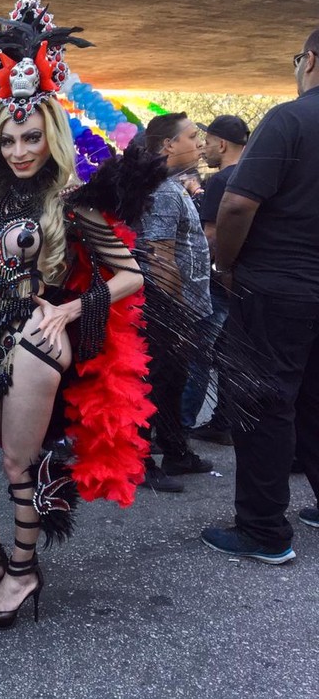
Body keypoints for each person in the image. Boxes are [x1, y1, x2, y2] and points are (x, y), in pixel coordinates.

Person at [0, 0, 149, 631]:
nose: (20, 149)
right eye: (11, 136)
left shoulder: (71, 201)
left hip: (33, 341)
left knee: (17, 465)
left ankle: (23, 570)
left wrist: (72, 309)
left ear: (51, 134)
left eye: (32, 136)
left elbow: (130, 274)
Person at [201, 28, 319, 563]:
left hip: (275, 287)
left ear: (310, 60)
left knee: (261, 403)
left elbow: (237, 206)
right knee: (314, 401)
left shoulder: (290, 119)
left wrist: (225, 265)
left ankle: (263, 531)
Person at [133, 113, 214, 492]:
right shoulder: (163, 191)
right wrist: (176, 317)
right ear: (168, 145)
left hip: (181, 308)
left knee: (171, 382)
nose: (200, 143)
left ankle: (176, 451)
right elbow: (160, 254)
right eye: (193, 136)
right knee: (154, 382)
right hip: (167, 310)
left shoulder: (171, 185)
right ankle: (140, 462)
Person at [182, 115, 250, 445]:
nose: (204, 149)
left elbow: (210, 237)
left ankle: (179, 425)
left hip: (221, 281)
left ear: (222, 144)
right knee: (232, 353)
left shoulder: (222, 181)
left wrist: (204, 277)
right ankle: (225, 418)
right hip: (250, 280)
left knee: (199, 352)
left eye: (207, 142)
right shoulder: (255, 176)